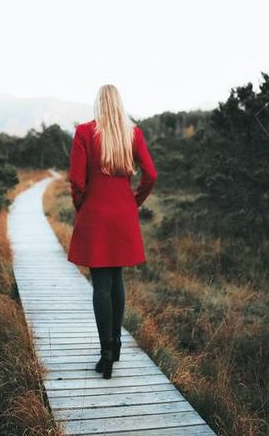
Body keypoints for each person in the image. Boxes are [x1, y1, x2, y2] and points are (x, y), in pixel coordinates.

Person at [66, 84, 158, 379]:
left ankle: (105, 352)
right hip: (123, 216)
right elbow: (151, 175)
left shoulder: (84, 132)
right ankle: (116, 344)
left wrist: (82, 208)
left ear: (98, 104)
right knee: (116, 277)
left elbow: (76, 181)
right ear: (119, 104)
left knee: (101, 284)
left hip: (95, 214)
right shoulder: (133, 134)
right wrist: (135, 202)